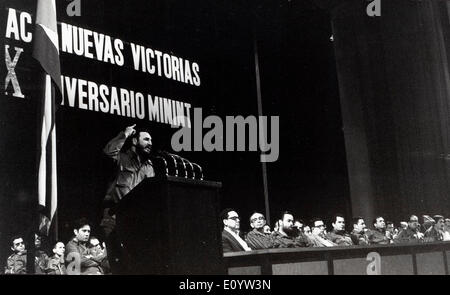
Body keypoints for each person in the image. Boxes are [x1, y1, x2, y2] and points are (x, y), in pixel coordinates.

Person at [100, 124, 155, 273]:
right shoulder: (121, 158)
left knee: (137, 263)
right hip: (114, 217)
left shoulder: (149, 167)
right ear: (135, 141)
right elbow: (108, 152)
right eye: (146, 139)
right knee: (119, 263)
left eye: (151, 140)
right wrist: (124, 134)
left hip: (136, 219)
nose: (150, 143)